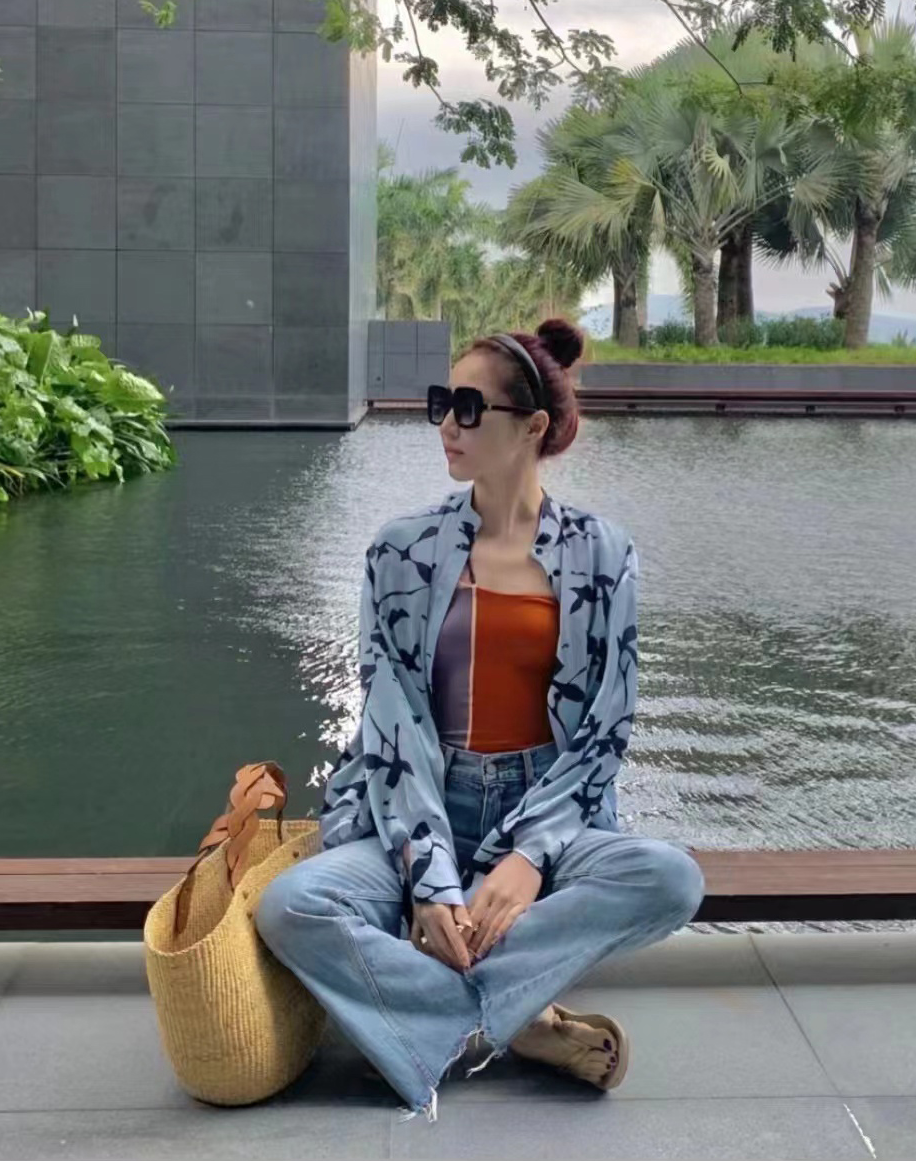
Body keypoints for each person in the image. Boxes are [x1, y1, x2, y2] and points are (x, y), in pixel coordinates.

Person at [256, 318, 704, 1123]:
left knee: (673, 879)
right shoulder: (401, 551)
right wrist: (430, 880)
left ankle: (441, 1013)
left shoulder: (604, 553)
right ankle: (514, 1015)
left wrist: (529, 856)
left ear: (532, 427)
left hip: (546, 805)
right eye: (442, 403)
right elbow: (391, 724)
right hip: (421, 804)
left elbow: (606, 729)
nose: (447, 425)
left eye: (469, 407)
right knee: (291, 907)